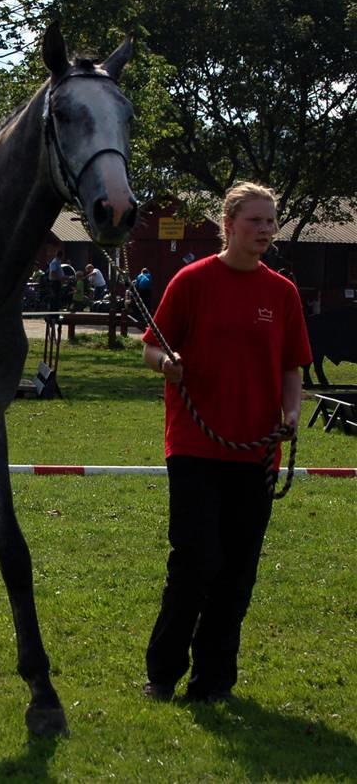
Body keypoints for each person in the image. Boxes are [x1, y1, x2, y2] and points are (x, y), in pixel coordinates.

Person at [141, 182, 312, 704]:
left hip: (257, 451)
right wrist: (167, 366)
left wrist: (291, 413)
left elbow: (291, 368)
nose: (265, 231)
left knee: (237, 571)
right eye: (255, 221)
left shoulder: (282, 293)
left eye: (270, 222)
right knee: (194, 562)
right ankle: (163, 675)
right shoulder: (192, 282)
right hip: (195, 445)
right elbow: (151, 349)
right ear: (229, 223)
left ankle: (214, 682)